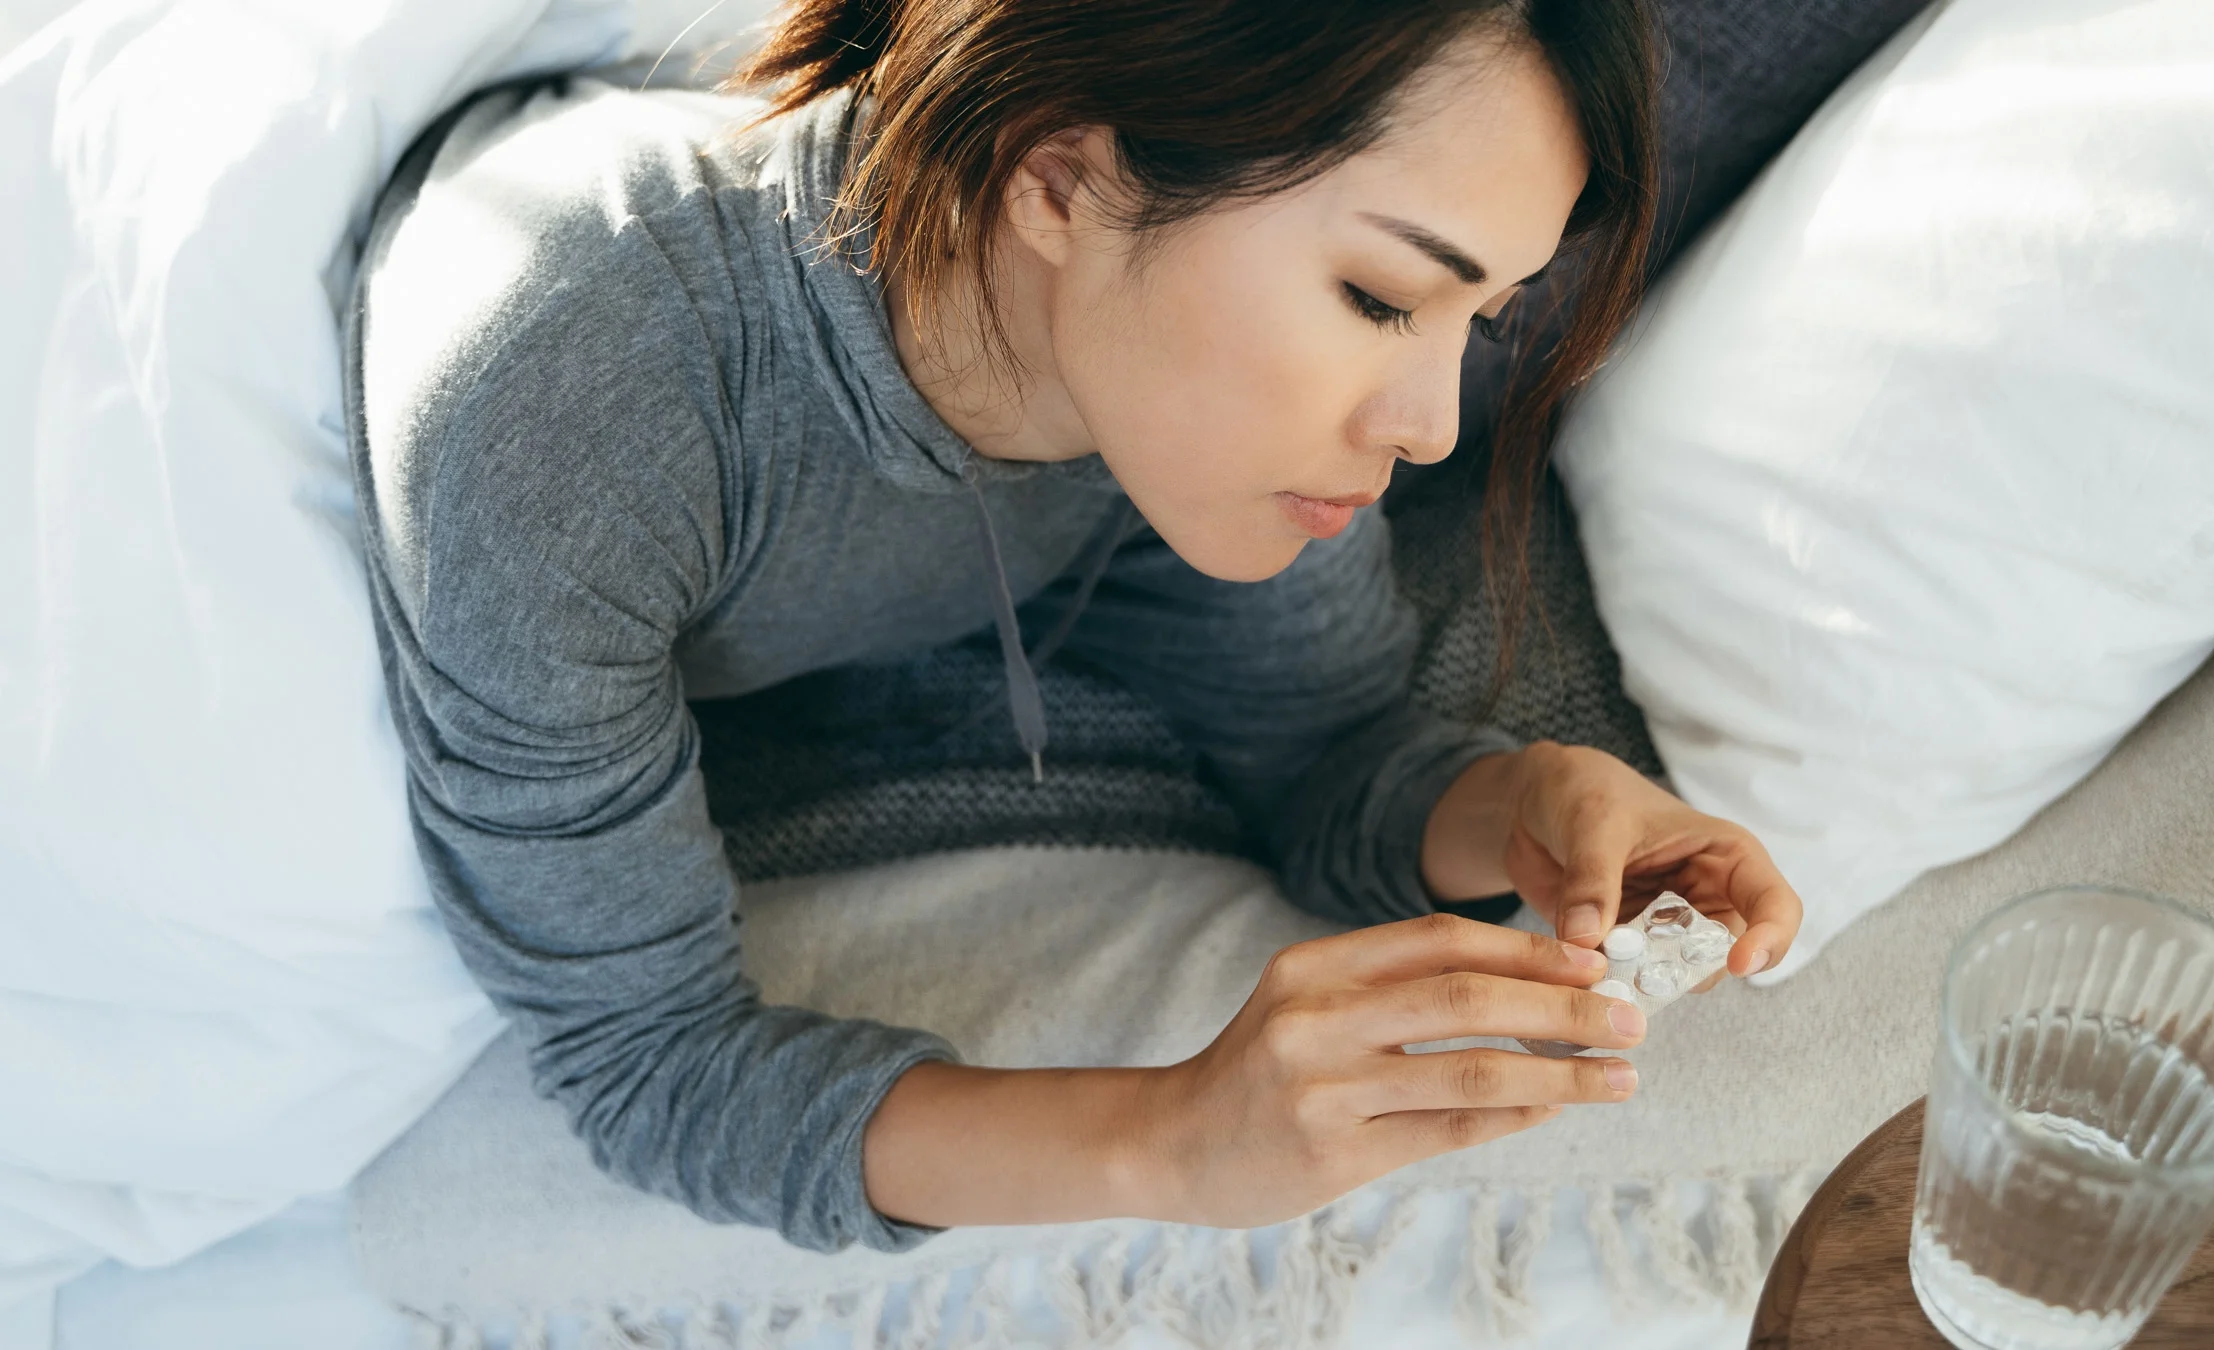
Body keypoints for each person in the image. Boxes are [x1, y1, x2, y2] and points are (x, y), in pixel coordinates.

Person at [343, 0, 1804, 1254]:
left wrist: (1524, 808)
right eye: (1380, 296)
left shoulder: (1164, 399)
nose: (1427, 430)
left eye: (1476, 320)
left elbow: (1330, 749)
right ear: (1058, 181)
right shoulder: (571, 403)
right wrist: (1172, 1137)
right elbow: (648, 1061)